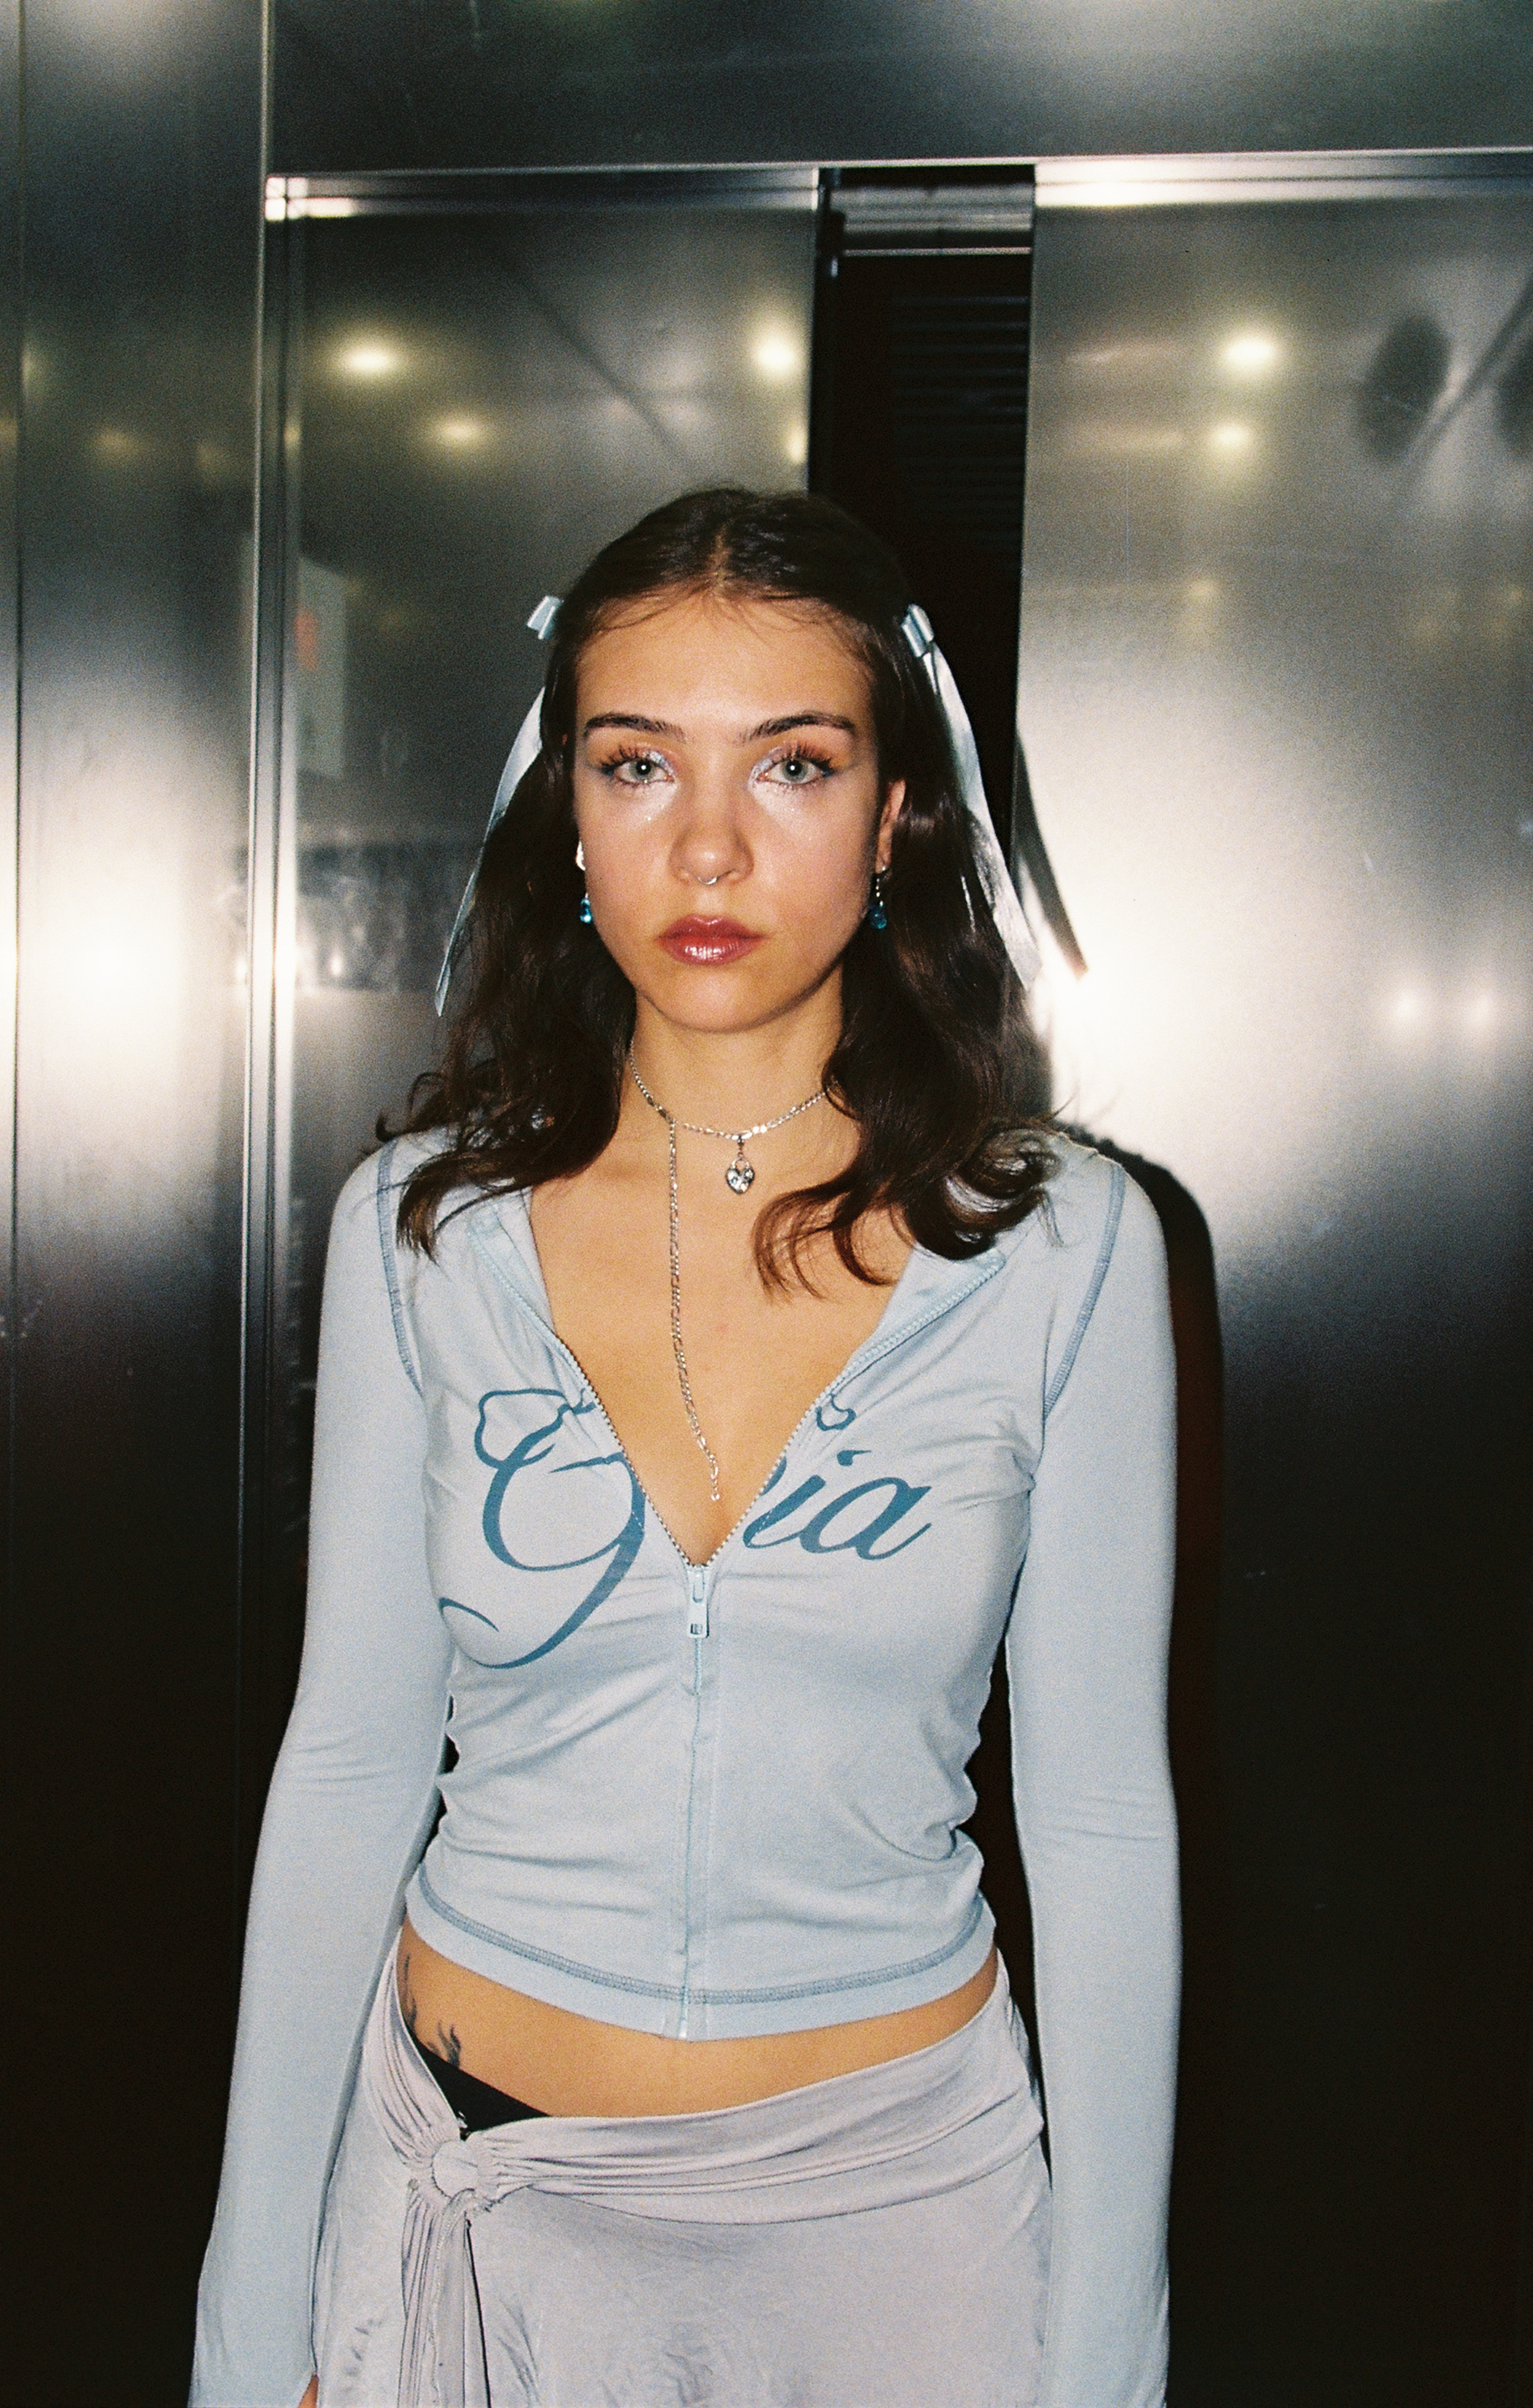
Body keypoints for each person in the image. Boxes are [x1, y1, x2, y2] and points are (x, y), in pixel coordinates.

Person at [191, 487, 1179, 2408]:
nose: (707, 845)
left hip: (895, 2240)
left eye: (792, 764)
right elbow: (351, 1768)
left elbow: (1100, 1825)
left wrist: (1105, 2364)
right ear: (569, 804)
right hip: (466, 2205)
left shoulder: (1065, 1249)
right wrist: (250, 2334)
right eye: (638, 762)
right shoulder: (425, 1232)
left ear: (893, 813)